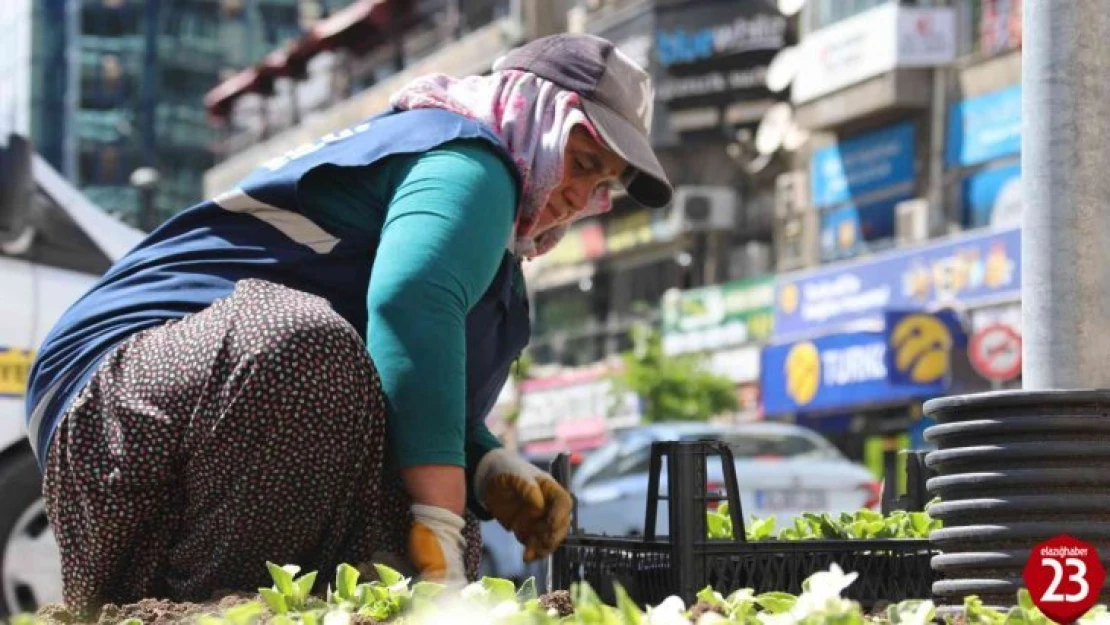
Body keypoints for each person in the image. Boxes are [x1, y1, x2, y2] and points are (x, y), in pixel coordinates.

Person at [25, 33, 673, 615]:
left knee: (424, 502)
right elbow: (410, 305)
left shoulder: (483, 225)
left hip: (157, 439)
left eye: (601, 186)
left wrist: (483, 465)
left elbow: (393, 366)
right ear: (534, 116)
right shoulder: (470, 162)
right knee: (318, 368)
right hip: (111, 401)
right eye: (583, 161)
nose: (579, 196)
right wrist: (438, 518)